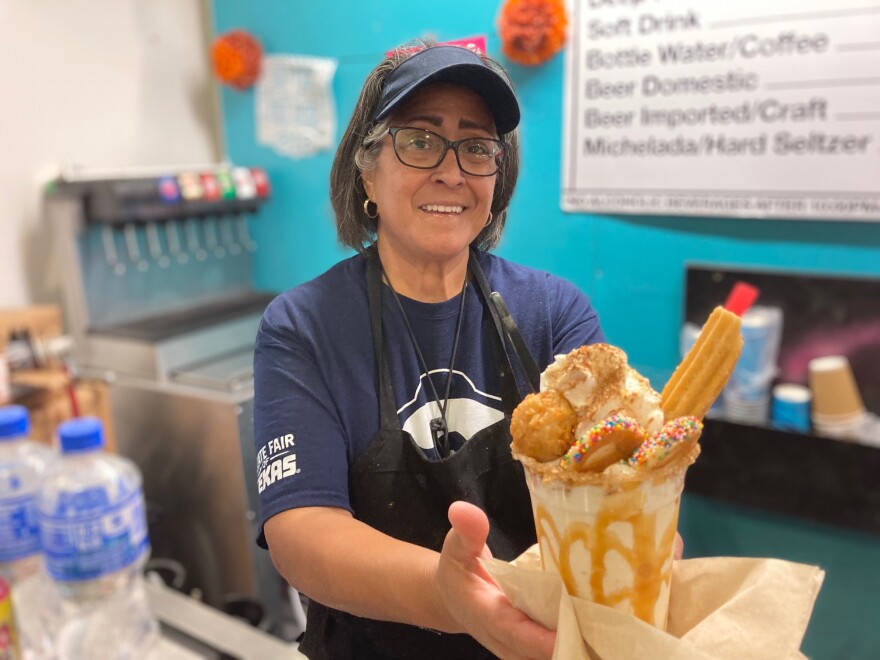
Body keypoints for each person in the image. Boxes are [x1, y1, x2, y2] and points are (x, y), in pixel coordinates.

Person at [254, 42, 605, 659]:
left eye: (477, 148)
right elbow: (299, 530)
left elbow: (608, 475)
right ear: (367, 169)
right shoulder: (304, 325)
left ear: (498, 179)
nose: (452, 172)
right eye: (420, 140)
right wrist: (448, 596)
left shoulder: (554, 313)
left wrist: (636, 529)